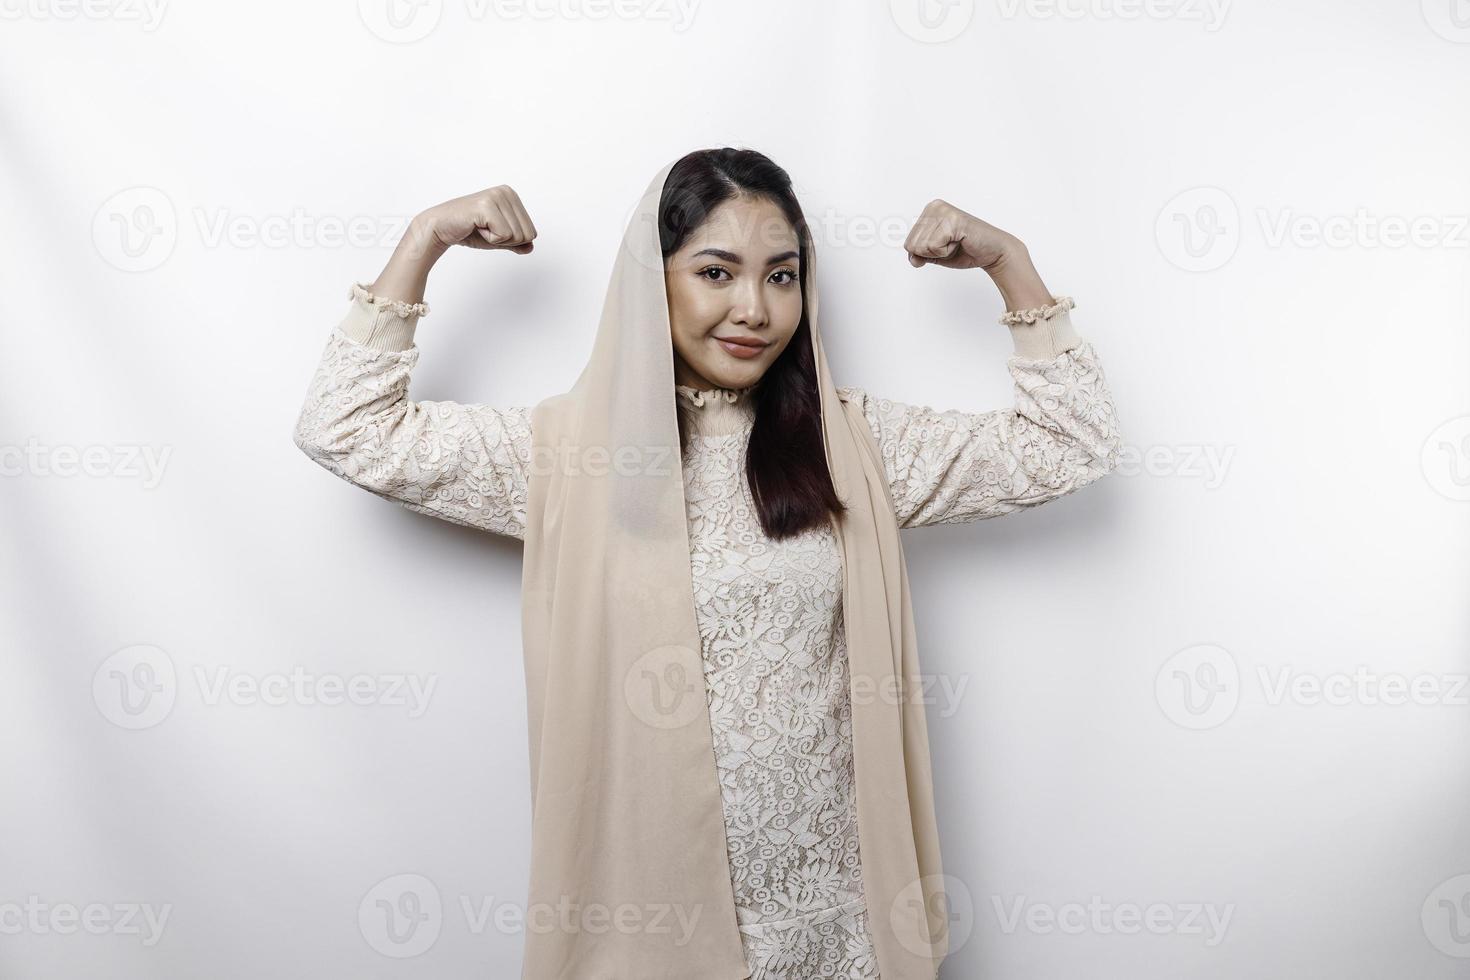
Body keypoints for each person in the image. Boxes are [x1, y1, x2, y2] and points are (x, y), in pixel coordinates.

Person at [293, 148, 1122, 980]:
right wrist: (423, 239)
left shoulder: (852, 446)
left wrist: (1009, 266)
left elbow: (1068, 447)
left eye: (782, 276)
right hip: (649, 932)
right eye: (716, 273)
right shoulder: (569, 458)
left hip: (833, 928)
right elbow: (348, 428)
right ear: (649, 285)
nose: (754, 309)